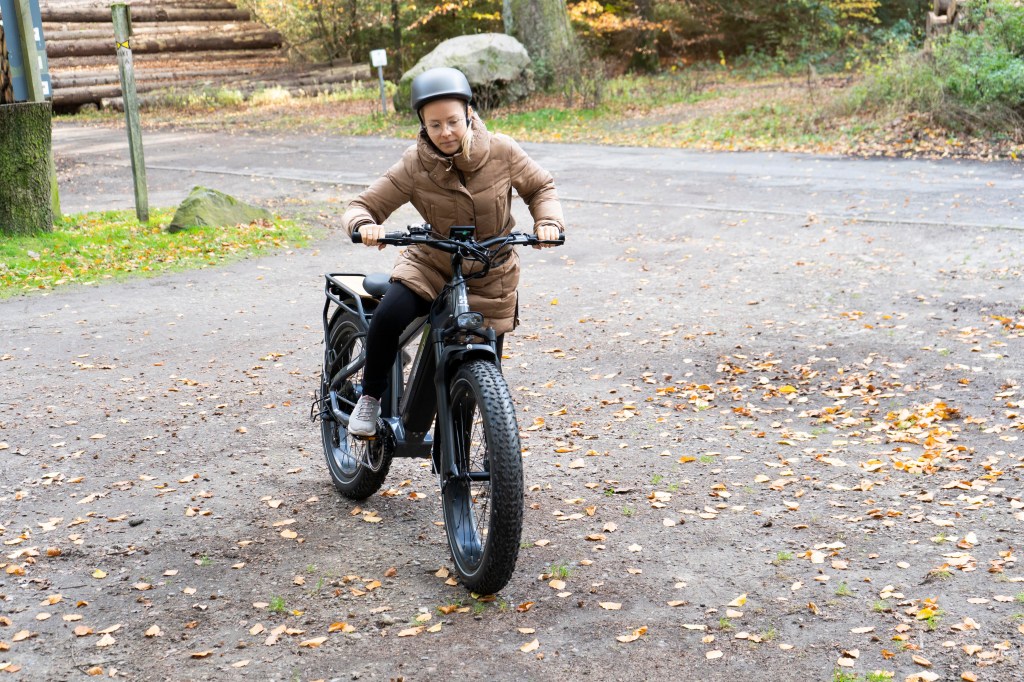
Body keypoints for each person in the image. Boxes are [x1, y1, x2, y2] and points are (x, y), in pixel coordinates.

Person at [341, 66, 565, 437]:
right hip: (433, 263)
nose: (445, 132)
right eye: (435, 125)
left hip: (490, 270)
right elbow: (361, 205)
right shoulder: (415, 164)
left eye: (453, 122)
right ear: (422, 126)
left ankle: (472, 444)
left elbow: (541, 187)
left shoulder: (502, 151)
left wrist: (549, 223)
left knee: (486, 369)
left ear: (469, 115)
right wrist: (364, 225)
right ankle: (370, 397)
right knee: (389, 316)